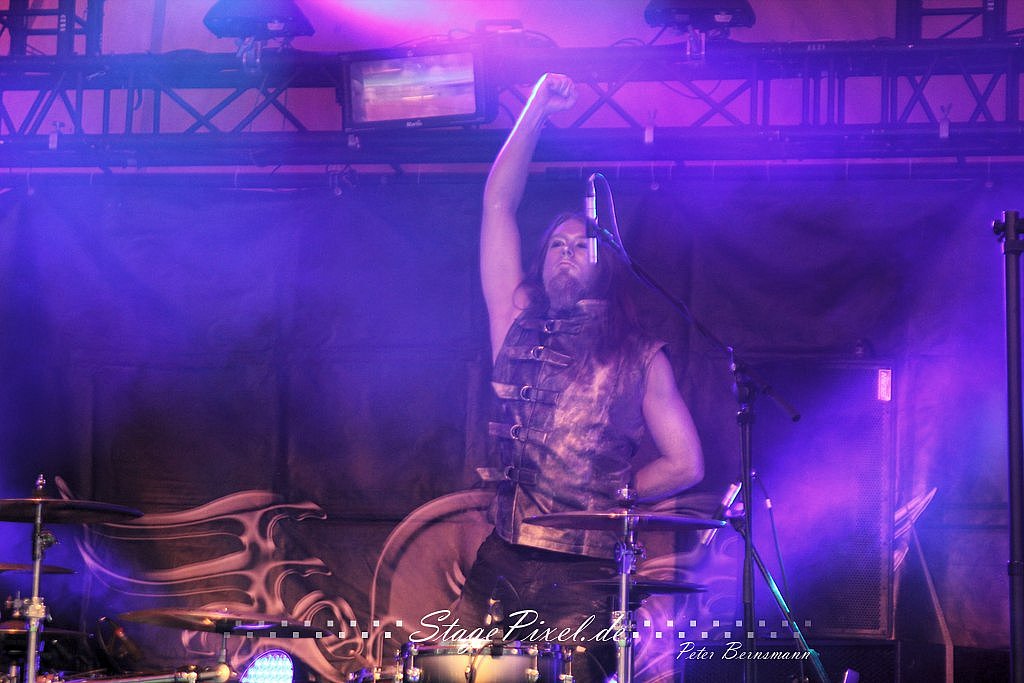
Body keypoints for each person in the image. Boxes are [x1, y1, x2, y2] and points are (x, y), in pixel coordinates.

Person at [453, 73, 704, 682]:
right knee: (453, 672)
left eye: (581, 244)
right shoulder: (514, 319)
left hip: (585, 572)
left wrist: (610, 491)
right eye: (555, 245)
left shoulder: (641, 356)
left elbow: (686, 463)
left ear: (605, 262)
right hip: (503, 555)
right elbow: (497, 206)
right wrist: (535, 106)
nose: (566, 251)